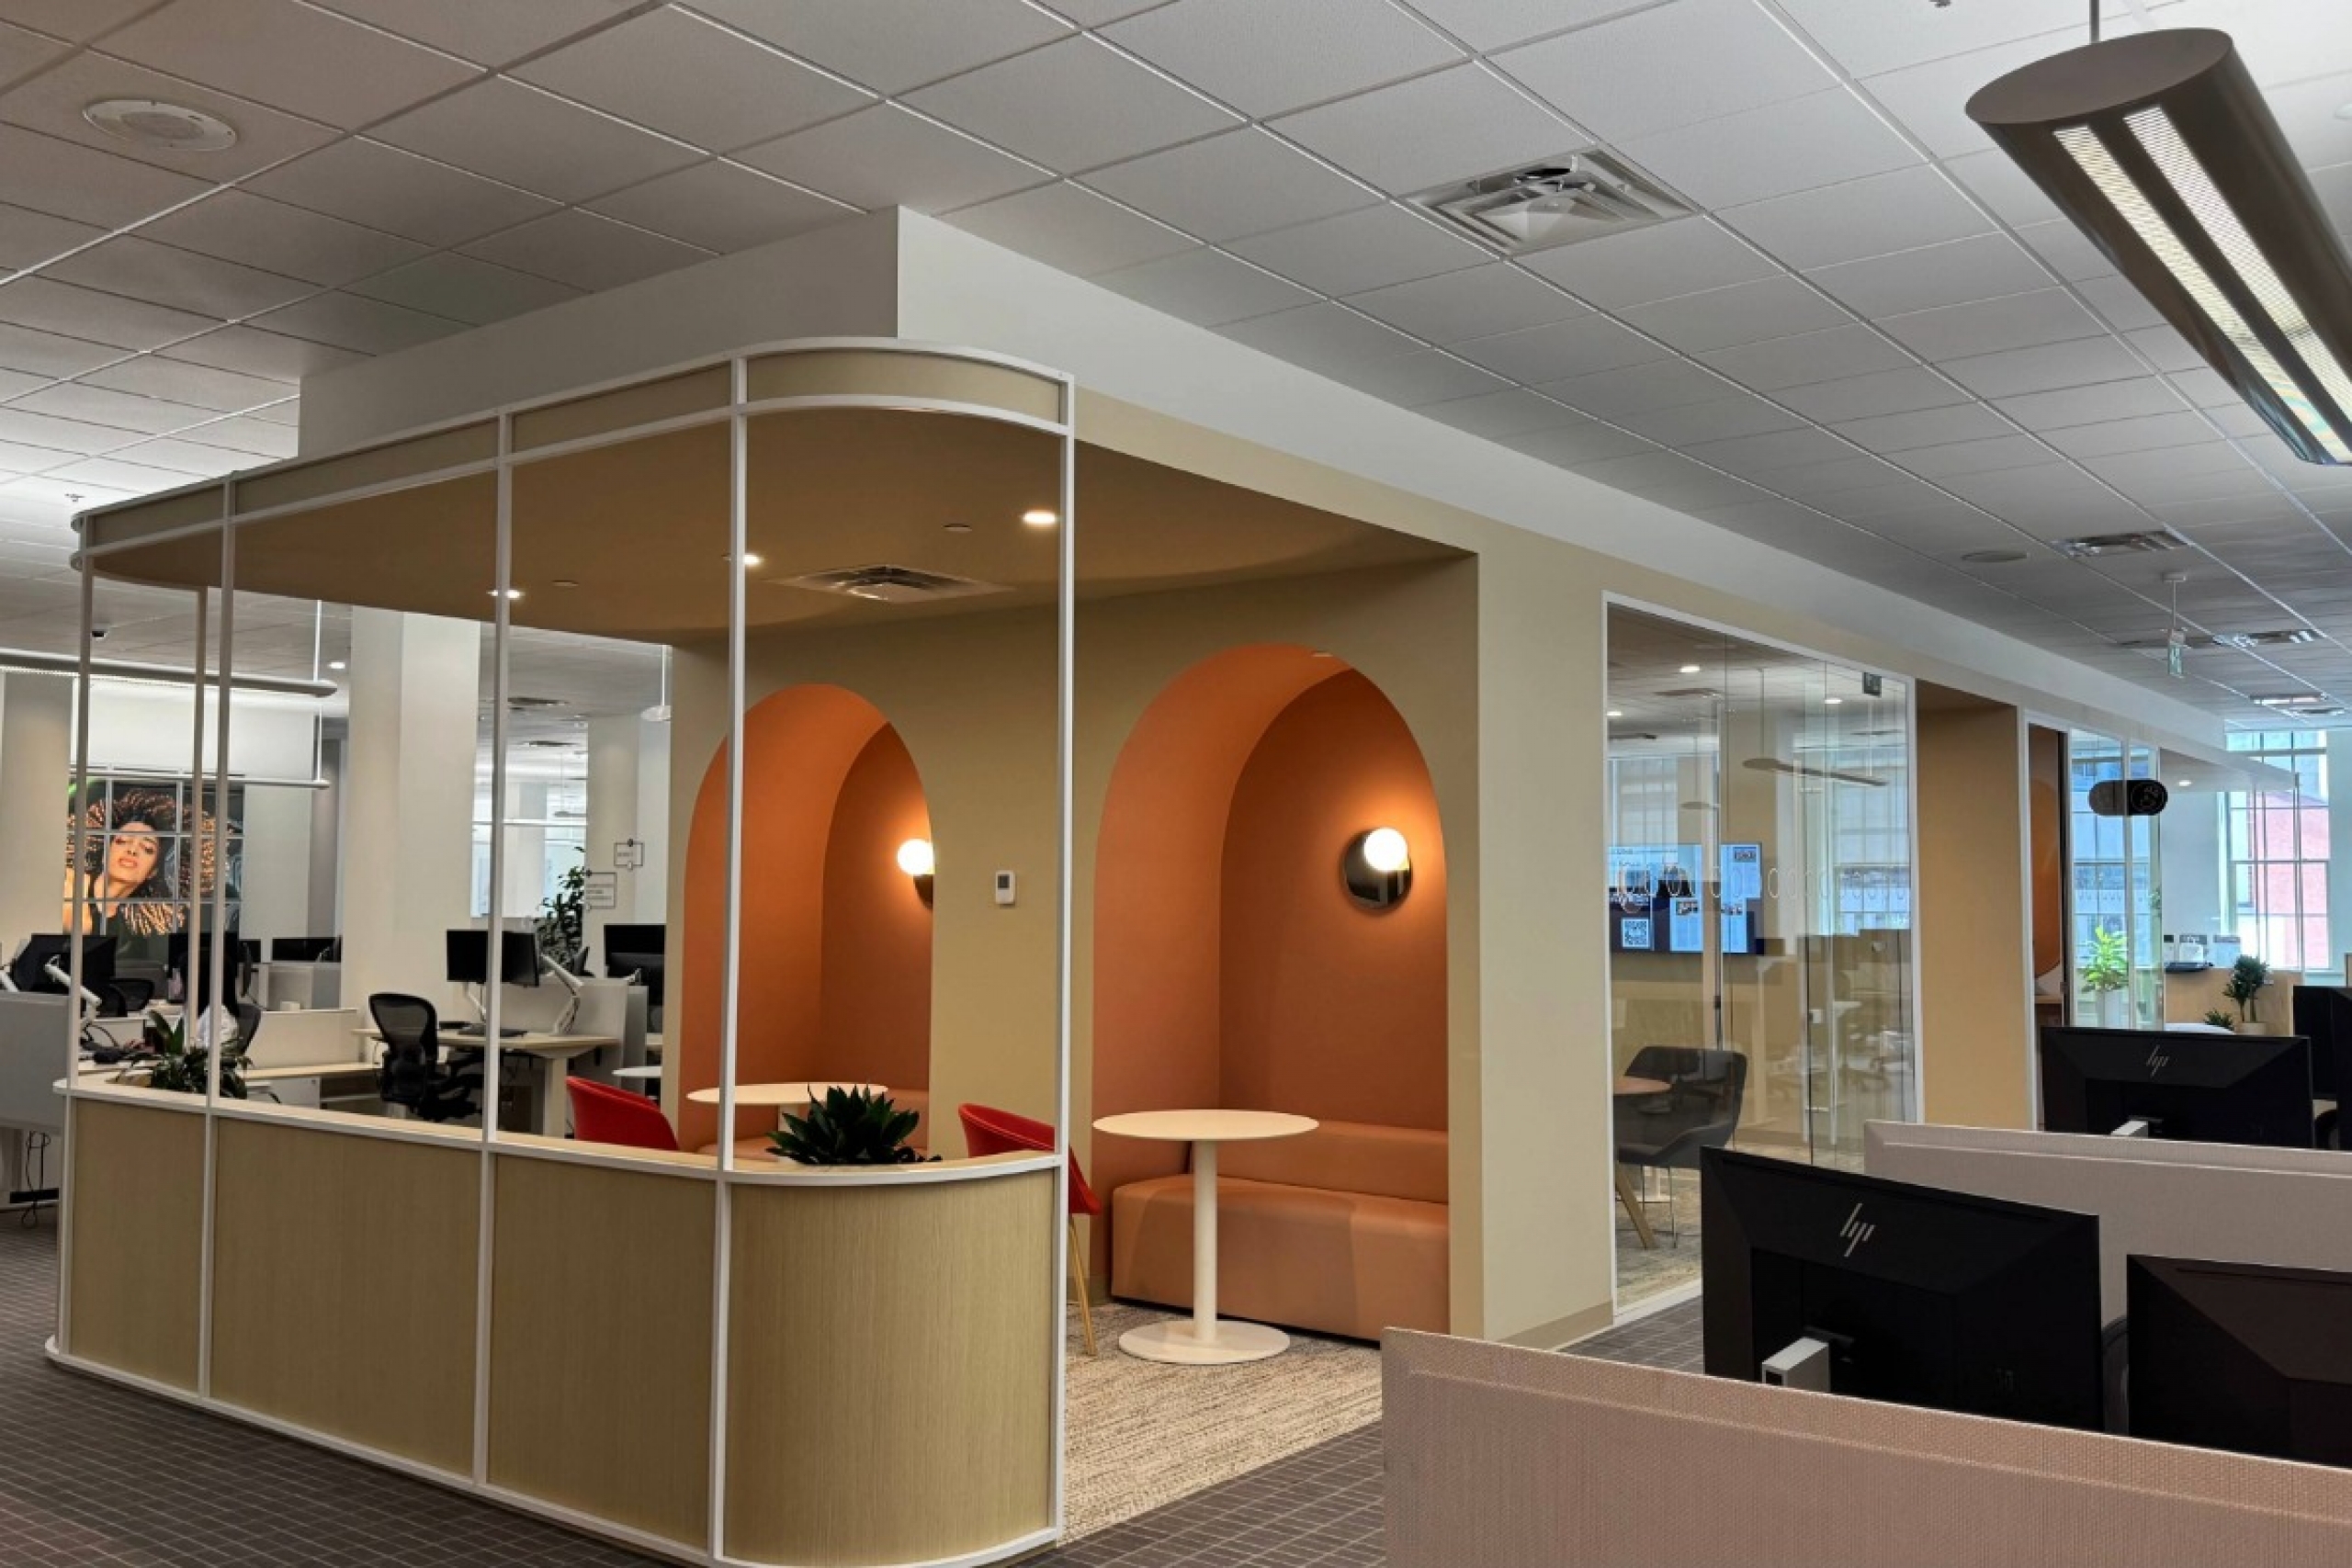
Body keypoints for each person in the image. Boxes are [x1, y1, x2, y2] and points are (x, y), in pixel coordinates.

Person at [62, 788, 186, 937]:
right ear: (105, 852)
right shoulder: (67, 886)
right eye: (123, 840)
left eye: (147, 848)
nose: (132, 849)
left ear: (153, 872)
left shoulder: (128, 931)